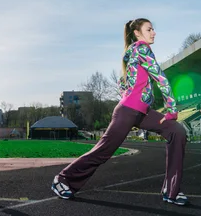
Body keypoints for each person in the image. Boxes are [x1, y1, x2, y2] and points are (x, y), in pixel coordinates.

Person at [51, 18, 188, 206]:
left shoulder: (130, 52)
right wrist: (171, 109)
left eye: (153, 29)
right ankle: (63, 179)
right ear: (137, 33)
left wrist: (131, 94)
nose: (154, 32)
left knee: (177, 132)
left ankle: (171, 190)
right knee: (103, 151)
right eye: (149, 29)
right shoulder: (142, 48)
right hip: (128, 111)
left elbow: (122, 82)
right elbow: (161, 78)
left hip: (141, 111)